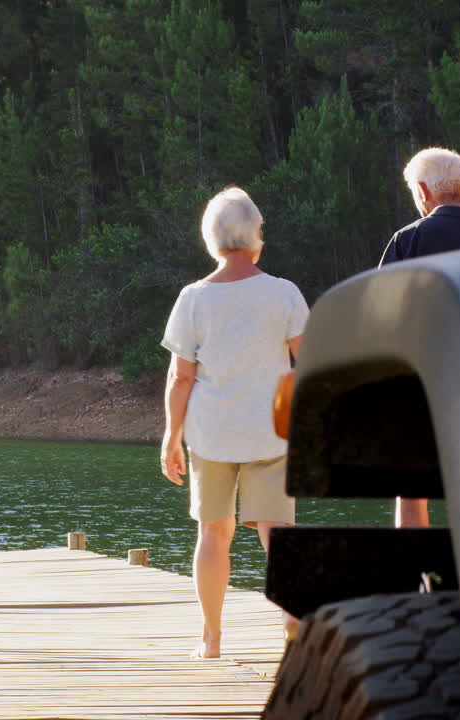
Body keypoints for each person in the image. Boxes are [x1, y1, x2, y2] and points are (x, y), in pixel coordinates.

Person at [159, 187, 309, 659]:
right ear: (255, 237)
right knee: (277, 531)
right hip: (272, 430)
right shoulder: (284, 293)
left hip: (212, 434)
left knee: (213, 533)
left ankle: (211, 639)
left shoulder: (193, 299)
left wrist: (172, 436)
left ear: (212, 240)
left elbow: (181, 378)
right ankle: (291, 614)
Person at [381, 147, 460, 527]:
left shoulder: (408, 240)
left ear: (422, 190)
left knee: (411, 491)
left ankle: (416, 580)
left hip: (419, 383)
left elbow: (386, 318)